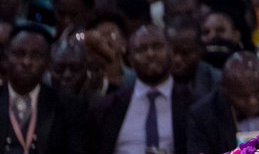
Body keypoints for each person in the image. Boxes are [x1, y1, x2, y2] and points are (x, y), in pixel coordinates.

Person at [90, 24, 193, 154]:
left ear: (171, 52)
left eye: (157, 47)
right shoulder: (107, 108)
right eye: (141, 49)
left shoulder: (193, 105)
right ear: (130, 59)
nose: (150, 54)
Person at [186, 51, 259, 154]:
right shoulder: (203, 115)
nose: (252, 101)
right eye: (242, 96)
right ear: (226, 91)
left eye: (257, 92)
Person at [1, 24, 86, 153]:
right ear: (6, 57)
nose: (26, 62)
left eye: (36, 56)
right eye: (19, 54)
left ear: (48, 62)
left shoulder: (68, 107)